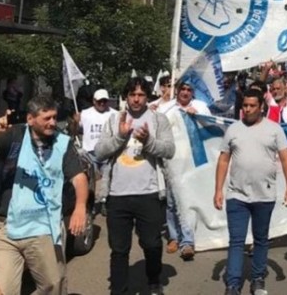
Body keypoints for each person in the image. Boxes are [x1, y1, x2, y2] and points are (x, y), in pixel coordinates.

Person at [0, 97, 89, 295]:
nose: (53, 122)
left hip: (43, 226)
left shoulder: (62, 143)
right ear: (30, 119)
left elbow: (78, 177)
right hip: (6, 229)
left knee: (54, 285)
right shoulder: (14, 136)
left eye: (54, 117)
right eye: (47, 118)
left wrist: (80, 207)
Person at [96, 77, 175, 295]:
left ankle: (153, 279)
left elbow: (169, 150)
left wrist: (149, 141)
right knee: (119, 249)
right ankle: (119, 290)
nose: (136, 99)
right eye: (132, 95)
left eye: (141, 95)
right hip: (118, 195)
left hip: (149, 193)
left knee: (151, 243)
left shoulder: (159, 121)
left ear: (147, 97)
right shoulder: (114, 121)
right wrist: (120, 136)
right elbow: (100, 152)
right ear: (126, 97)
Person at [215, 89, 287, 295]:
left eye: (252, 106)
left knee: (261, 239)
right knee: (236, 241)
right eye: (244, 106)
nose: (247, 110)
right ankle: (232, 284)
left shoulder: (274, 129)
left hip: (264, 195)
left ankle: (258, 278)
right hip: (237, 195)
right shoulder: (233, 129)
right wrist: (218, 190)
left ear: (261, 107)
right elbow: (223, 160)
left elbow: (286, 158)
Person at [159, 80, 210, 260]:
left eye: (189, 90)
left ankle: (189, 240)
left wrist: (197, 119)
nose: (185, 93)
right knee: (173, 202)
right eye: (183, 89)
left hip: (194, 161)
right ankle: (174, 237)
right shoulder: (166, 109)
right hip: (173, 161)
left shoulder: (201, 107)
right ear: (177, 90)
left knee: (190, 199)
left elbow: (210, 130)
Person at [80, 89, 117, 215]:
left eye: (104, 101)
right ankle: (92, 204)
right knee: (91, 181)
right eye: (99, 101)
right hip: (90, 152)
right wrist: (74, 121)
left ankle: (105, 202)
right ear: (94, 101)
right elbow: (76, 129)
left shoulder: (115, 114)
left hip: (108, 152)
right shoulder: (84, 113)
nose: (102, 103)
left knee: (108, 180)